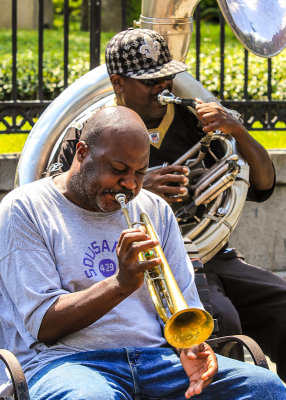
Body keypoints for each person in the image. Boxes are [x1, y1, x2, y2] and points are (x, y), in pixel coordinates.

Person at [45, 29, 286, 381]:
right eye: (150, 81)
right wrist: (144, 189)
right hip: (137, 260)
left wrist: (239, 132)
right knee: (220, 318)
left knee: (281, 303)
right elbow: (62, 201)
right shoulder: (90, 133)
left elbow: (263, 186)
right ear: (118, 82)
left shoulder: (194, 122)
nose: (164, 86)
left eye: (167, 75)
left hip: (209, 249)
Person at [0, 106, 285, 400]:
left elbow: (183, 304)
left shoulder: (153, 208)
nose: (131, 185)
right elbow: (44, 324)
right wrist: (120, 284)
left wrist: (191, 347)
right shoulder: (26, 208)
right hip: (66, 363)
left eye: (140, 172)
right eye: (118, 170)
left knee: (265, 388)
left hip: (157, 360)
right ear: (82, 152)